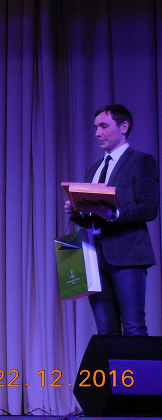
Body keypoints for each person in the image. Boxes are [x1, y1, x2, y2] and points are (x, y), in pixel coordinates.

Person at [64, 104, 159, 336]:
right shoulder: (93, 169)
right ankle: (111, 364)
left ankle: (137, 363)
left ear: (124, 127)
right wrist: (77, 213)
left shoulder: (140, 161)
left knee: (133, 326)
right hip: (94, 256)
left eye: (104, 126)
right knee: (105, 331)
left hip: (127, 254)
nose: (98, 133)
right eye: (96, 127)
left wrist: (115, 215)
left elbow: (149, 208)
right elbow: (93, 218)